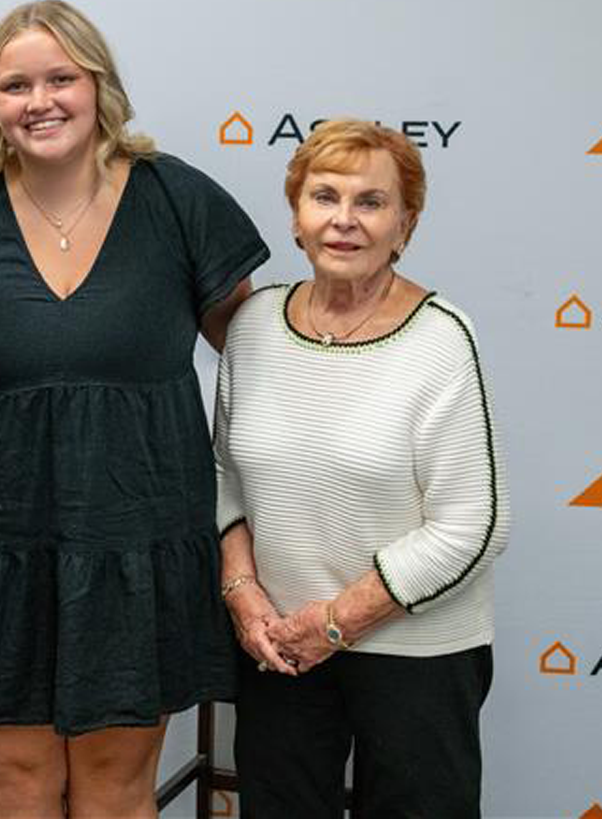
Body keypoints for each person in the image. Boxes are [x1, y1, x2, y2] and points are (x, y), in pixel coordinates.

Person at [0, 0, 269, 819]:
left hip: (137, 542)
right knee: (14, 786)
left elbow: (258, 348)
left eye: (61, 78)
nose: (40, 101)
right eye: (15, 85)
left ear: (100, 85)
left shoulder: (177, 198)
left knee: (116, 790)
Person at [214, 119, 511, 817]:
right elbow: (226, 479)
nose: (344, 220)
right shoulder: (254, 325)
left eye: (371, 202)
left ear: (405, 226)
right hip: (278, 645)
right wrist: (243, 594)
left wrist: (335, 623)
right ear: (296, 217)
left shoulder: (441, 338)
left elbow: (474, 524)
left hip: (415, 651)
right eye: (324, 197)